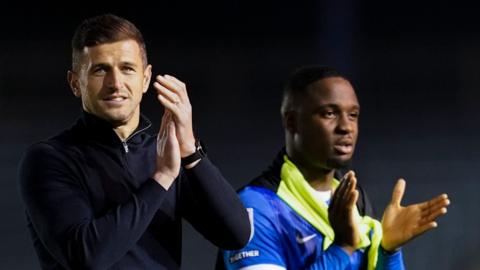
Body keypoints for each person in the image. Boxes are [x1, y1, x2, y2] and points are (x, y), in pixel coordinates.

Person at [19, 14, 251, 269]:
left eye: (127, 68)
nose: (115, 83)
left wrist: (190, 151)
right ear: (75, 83)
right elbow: (85, 256)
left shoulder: (167, 152)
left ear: (146, 78)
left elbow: (236, 235)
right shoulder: (49, 159)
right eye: (100, 70)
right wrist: (161, 179)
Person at [219, 66, 450, 270]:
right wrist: (342, 248)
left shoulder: (356, 202)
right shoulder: (256, 208)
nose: (346, 127)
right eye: (329, 113)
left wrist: (389, 252)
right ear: (291, 121)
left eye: (353, 115)